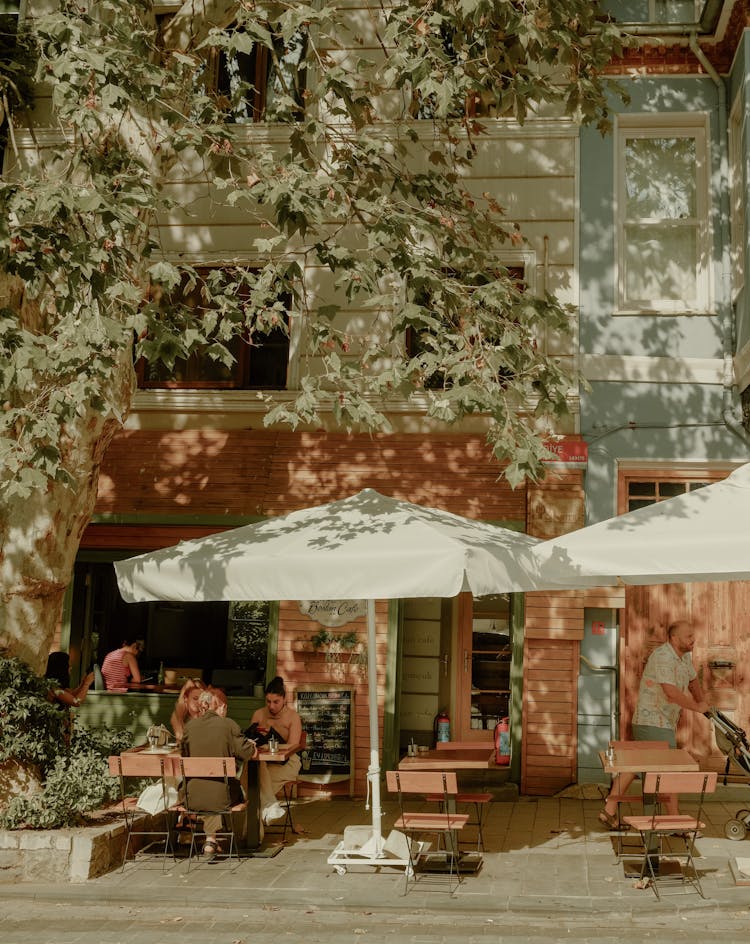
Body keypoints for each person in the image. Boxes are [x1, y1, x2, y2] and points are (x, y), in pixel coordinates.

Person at [599, 619, 711, 826]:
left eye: (693, 636)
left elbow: (693, 681)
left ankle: (609, 809)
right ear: (674, 638)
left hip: (661, 722)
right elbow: (671, 692)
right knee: (667, 771)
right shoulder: (662, 657)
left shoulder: (684, 657)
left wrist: (702, 700)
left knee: (635, 765)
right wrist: (696, 708)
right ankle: (674, 820)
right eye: (689, 636)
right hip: (653, 722)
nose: (693, 640)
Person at [180, 686, 257, 859]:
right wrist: (252, 746)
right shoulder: (228, 725)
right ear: (222, 707)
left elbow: (184, 755)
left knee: (207, 786)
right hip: (224, 797)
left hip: (191, 796)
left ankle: (210, 840)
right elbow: (247, 753)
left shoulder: (189, 727)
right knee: (219, 788)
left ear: (202, 707)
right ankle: (211, 840)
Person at [248, 676, 303, 824]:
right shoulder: (259, 714)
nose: (271, 706)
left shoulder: (293, 717)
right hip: (262, 762)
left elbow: (293, 746)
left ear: (284, 699)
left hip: (288, 762)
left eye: (276, 702)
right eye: (268, 701)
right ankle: (271, 808)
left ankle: (252, 836)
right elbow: (249, 741)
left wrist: (272, 740)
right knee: (255, 776)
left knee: (254, 786)